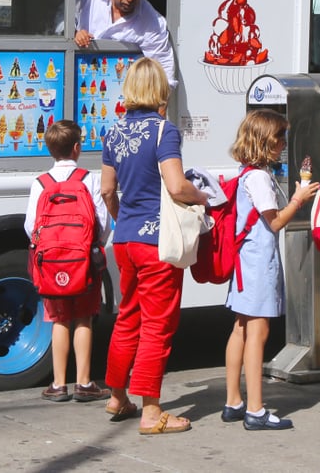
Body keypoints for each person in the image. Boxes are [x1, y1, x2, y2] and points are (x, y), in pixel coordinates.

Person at [100, 57, 208, 434]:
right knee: (157, 325)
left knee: (128, 316)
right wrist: (202, 198)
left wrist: (121, 219)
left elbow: (107, 190)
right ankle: (151, 411)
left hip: (127, 238)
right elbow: (177, 186)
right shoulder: (164, 132)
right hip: (157, 240)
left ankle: (117, 396)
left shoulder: (112, 132)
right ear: (160, 90)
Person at [221, 110, 319, 431]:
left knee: (240, 329)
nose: (283, 144)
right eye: (280, 137)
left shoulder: (245, 173)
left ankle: (234, 401)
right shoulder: (260, 178)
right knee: (257, 334)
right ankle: (256, 409)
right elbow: (274, 221)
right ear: (266, 140)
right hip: (257, 264)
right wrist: (299, 199)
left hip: (243, 261)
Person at [23, 119, 112, 404]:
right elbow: (102, 221)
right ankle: (84, 383)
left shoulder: (41, 183)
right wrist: (93, 244)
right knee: (83, 318)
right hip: (84, 260)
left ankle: (59, 384)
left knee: (59, 319)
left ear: (50, 149)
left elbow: (30, 226)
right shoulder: (89, 179)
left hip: (51, 263)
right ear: (77, 148)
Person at [70, 0, 177, 88]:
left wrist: (159, 107)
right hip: (78, 80)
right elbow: (61, 18)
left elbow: (163, 71)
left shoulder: (152, 20)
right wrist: (73, 32)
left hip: (122, 92)